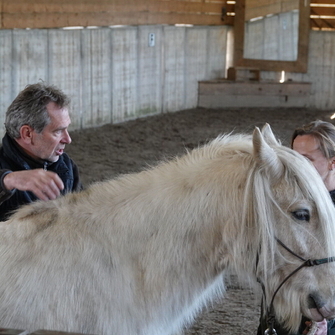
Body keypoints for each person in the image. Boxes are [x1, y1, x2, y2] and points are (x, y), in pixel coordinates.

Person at [257, 120, 335, 335]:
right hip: (282, 314)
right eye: (294, 158)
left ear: (333, 162)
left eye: (306, 160)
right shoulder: (287, 203)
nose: (297, 167)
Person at [0, 82, 82, 221]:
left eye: (66, 129)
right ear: (27, 134)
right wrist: (8, 180)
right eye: (58, 131)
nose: (68, 139)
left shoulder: (67, 166)